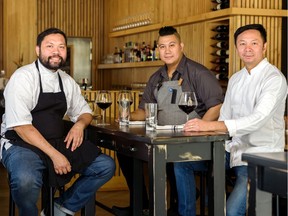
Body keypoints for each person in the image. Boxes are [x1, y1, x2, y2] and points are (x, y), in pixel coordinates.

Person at [0, 28, 115, 216]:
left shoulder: (67, 81)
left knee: (104, 166)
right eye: (50, 46)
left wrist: (79, 124)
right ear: (38, 50)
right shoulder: (23, 77)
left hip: (55, 140)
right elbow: (22, 127)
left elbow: (85, 112)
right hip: (21, 143)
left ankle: (60, 208)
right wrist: (55, 155)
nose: (56, 51)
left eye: (61, 47)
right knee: (25, 180)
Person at [112, 26, 224, 216]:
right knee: (126, 151)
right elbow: (144, 111)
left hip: (191, 140)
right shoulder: (156, 77)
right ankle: (142, 205)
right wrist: (127, 115)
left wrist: (202, 126)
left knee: (175, 162)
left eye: (172, 45)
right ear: (158, 50)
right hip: (164, 138)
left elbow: (217, 106)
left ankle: (179, 207)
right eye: (162, 47)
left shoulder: (198, 73)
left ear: (181, 46)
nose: (167, 51)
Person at [178, 24, 287, 216]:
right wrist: (198, 130)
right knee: (182, 161)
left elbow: (257, 120)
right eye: (242, 44)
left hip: (259, 156)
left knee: (232, 211)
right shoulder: (236, 79)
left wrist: (208, 125)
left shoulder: (274, 79)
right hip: (231, 150)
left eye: (254, 43)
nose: (248, 48)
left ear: (265, 46)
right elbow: (225, 117)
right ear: (236, 48)